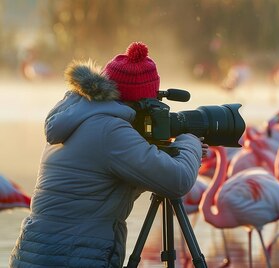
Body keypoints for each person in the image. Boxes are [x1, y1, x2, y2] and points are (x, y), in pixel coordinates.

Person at [9, 42, 208, 267]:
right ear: (142, 102)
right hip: (73, 257)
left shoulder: (77, 115)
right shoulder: (111, 131)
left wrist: (169, 153)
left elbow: (103, 186)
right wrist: (189, 140)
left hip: (39, 252)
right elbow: (177, 181)